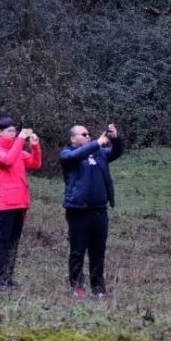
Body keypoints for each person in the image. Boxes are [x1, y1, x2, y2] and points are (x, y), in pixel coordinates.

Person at [59, 123, 124, 297]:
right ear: (73, 138)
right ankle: (77, 286)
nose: (88, 136)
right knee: (77, 251)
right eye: (83, 134)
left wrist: (115, 138)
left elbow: (116, 152)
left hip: (100, 211)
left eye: (89, 134)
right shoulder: (67, 154)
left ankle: (98, 288)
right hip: (79, 211)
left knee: (98, 251)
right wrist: (96, 143)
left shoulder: (99, 154)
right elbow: (76, 155)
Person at [0, 116, 42, 290]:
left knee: (14, 242)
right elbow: (7, 160)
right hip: (6, 202)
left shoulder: (15, 147)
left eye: (15, 131)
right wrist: (19, 141)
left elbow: (35, 163)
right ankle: (0, 280)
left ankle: (9, 278)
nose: (14, 134)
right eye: (10, 131)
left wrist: (34, 145)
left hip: (20, 202)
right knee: (2, 242)